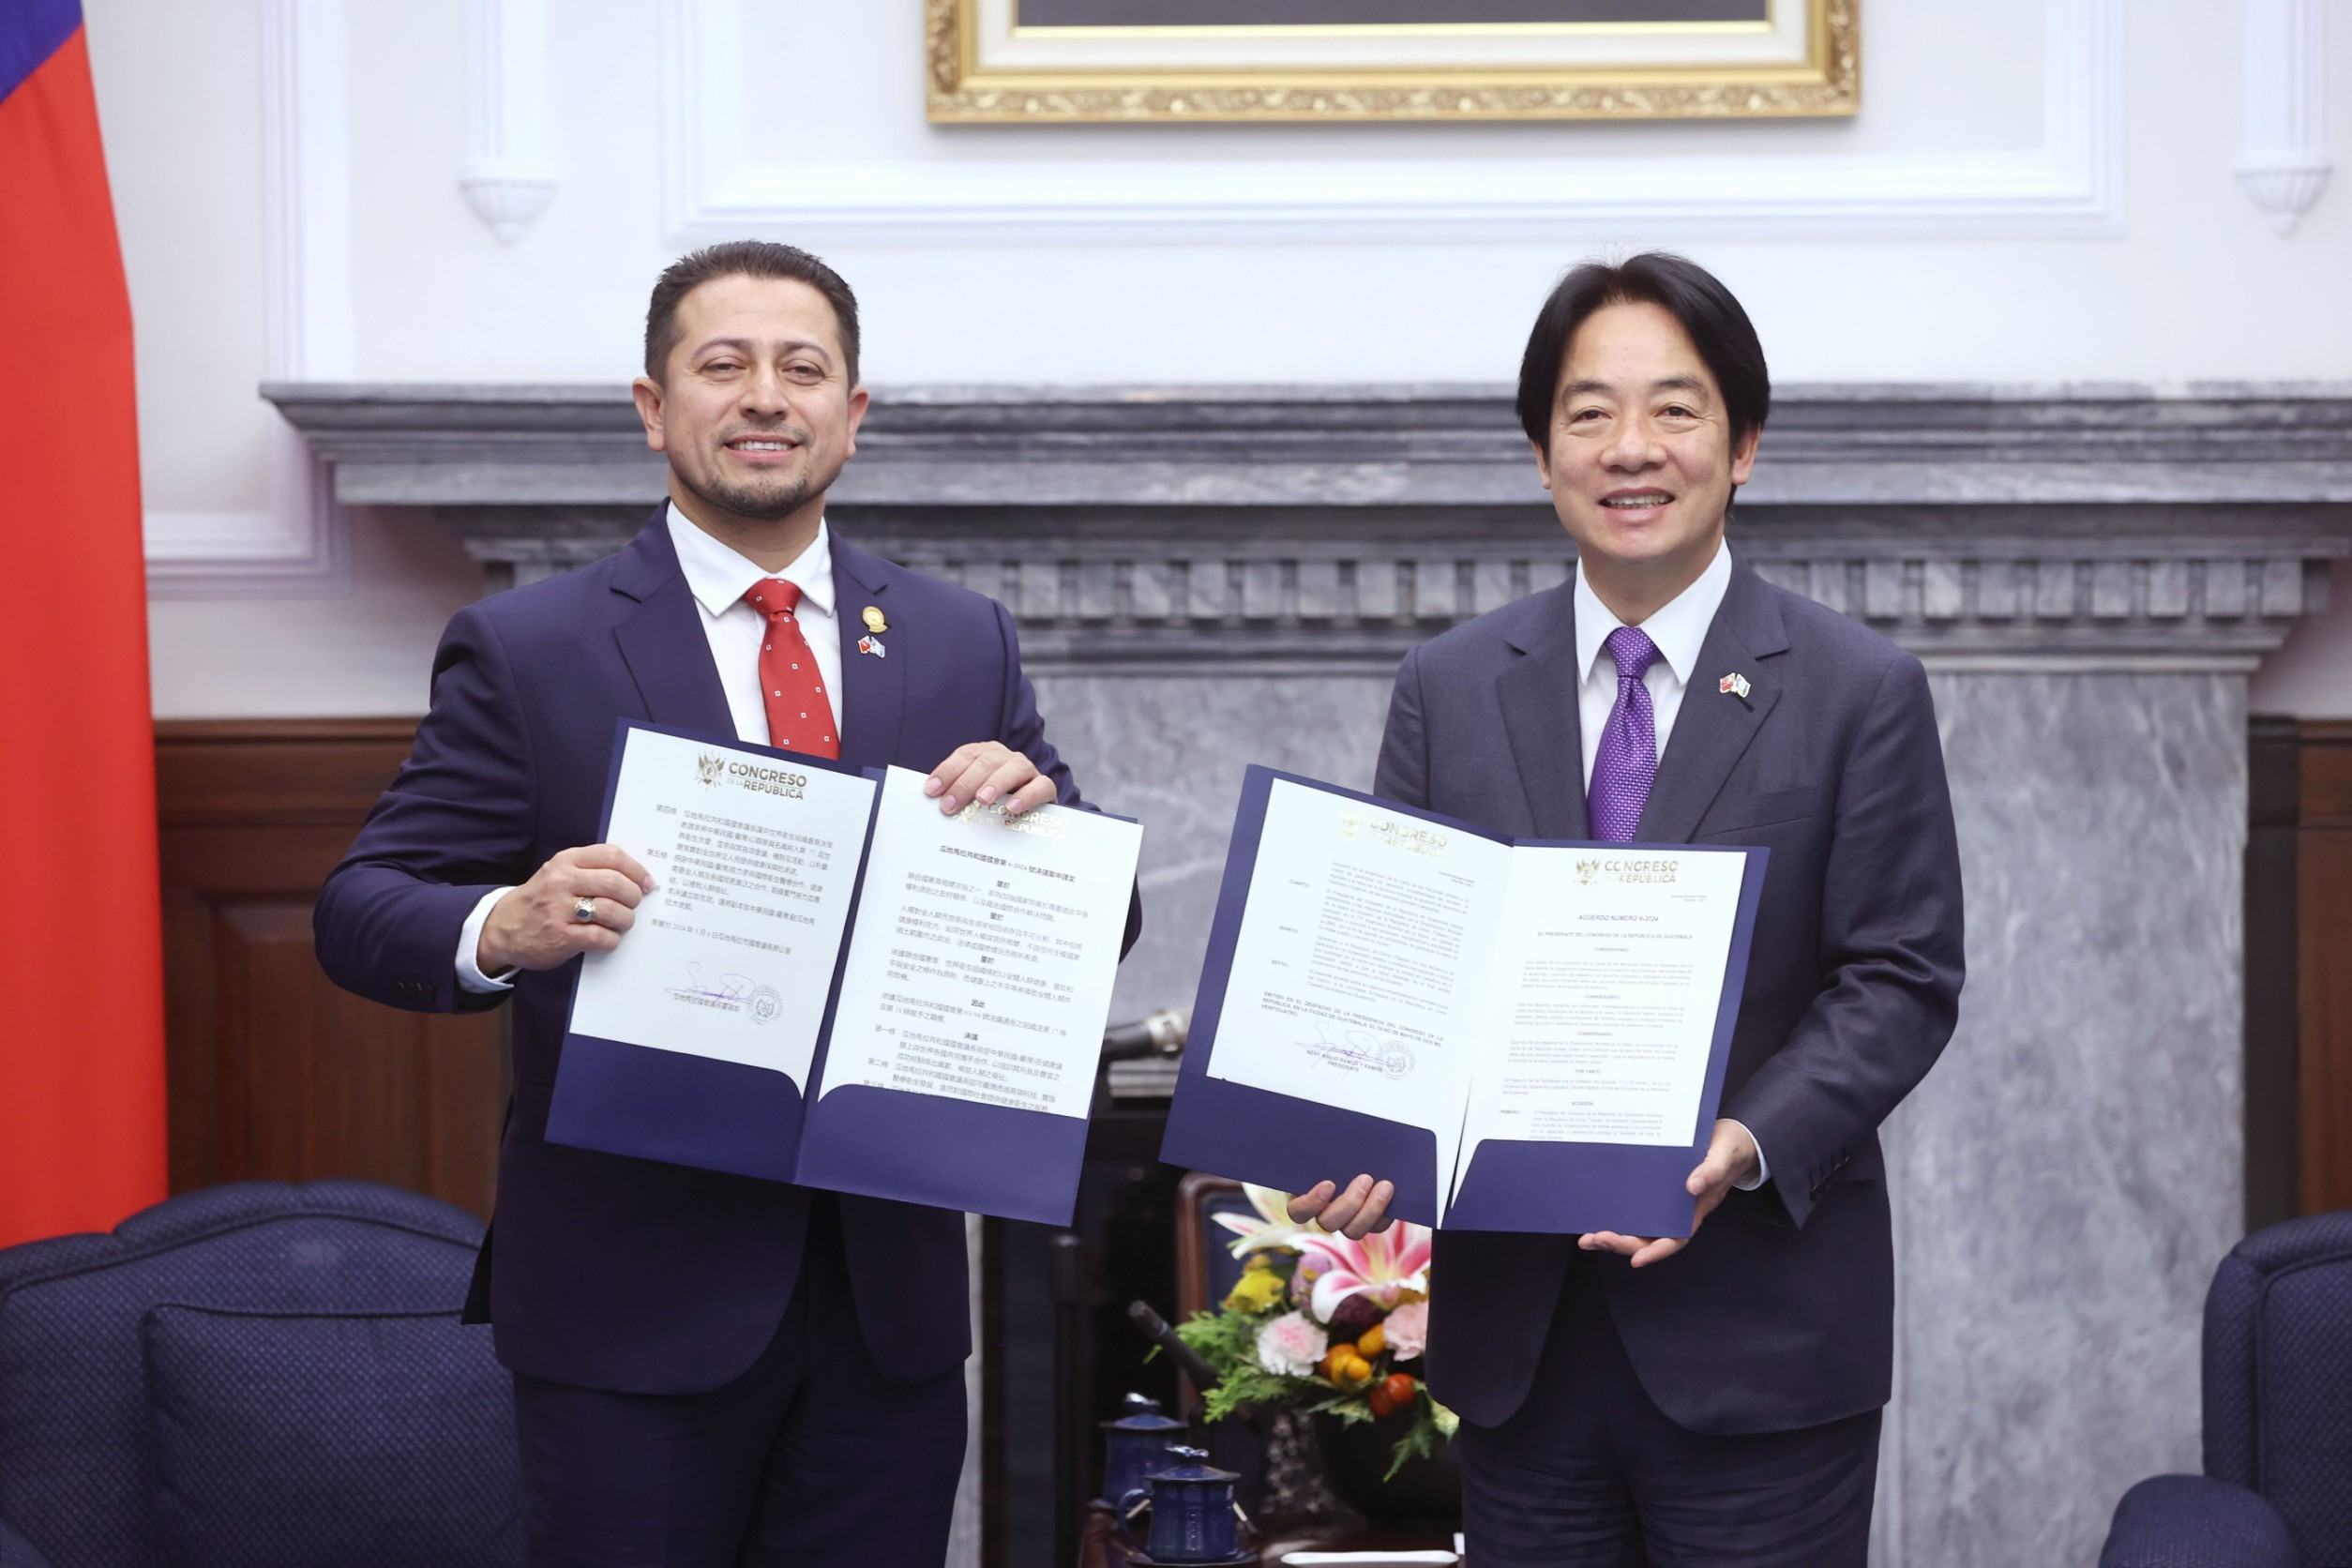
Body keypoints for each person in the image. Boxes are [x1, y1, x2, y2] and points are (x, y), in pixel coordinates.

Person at [314, 240, 1136, 1566]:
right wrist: (500, 929)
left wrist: (1051, 830)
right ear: (654, 406)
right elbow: (360, 906)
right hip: (630, 1315)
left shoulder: (955, 637)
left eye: (802, 368)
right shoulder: (535, 647)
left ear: (851, 417)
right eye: (724, 365)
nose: (766, 396)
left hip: (888, 1314)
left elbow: (1103, 914)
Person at [1288, 252, 1964, 1565]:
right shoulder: (1450, 684)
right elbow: (1399, 965)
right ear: (1543, 454)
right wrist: (1357, 1122)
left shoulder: (1858, 687)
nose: (1631, 448)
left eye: (1676, 408)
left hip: (1761, 1341)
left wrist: (1741, 1143)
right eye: (1589, 413)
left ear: (1745, 444)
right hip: (1520, 1347)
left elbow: (1900, 977)